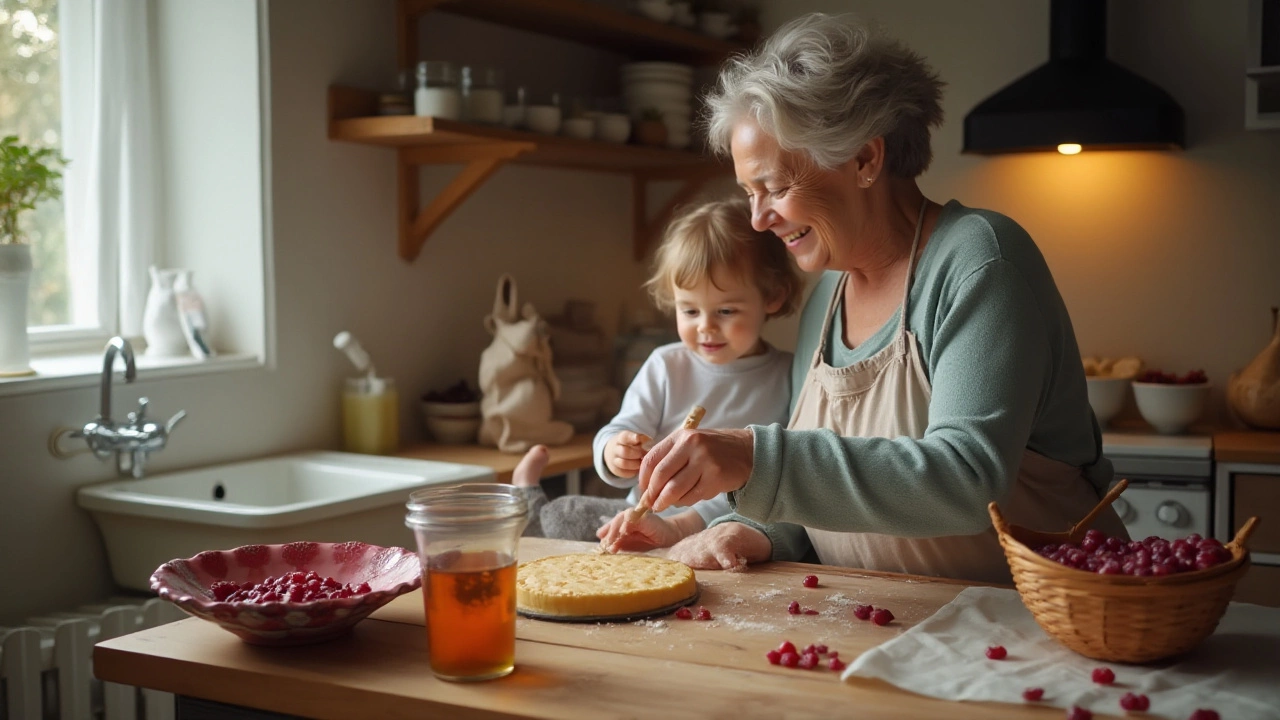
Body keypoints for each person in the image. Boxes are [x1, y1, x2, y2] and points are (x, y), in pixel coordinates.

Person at [624, 12, 1128, 583]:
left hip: (1038, 623)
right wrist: (755, 530)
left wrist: (756, 457)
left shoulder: (980, 262)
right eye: (749, 193)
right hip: (898, 623)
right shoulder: (824, 300)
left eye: (775, 187)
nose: (759, 219)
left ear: (865, 159)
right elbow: (836, 503)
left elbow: (966, 483)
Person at [514, 197, 803, 550]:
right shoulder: (666, 365)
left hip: (732, 527)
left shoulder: (789, 376)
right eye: (690, 310)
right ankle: (526, 501)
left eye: (726, 311)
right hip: (644, 517)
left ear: (772, 297)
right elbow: (620, 428)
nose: (706, 327)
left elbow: (781, 475)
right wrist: (614, 453)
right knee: (567, 515)